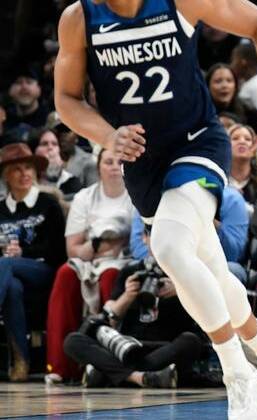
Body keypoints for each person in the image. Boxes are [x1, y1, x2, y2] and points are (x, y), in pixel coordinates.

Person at [53, 0, 257, 418]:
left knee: (167, 246)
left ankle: (239, 375)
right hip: (142, 160)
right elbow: (65, 97)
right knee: (212, 274)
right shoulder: (79, 18)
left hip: (197, 141)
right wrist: (108, 135)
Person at [46, 148, 135, 384]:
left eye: (119, 162)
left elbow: (133, 242)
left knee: (111, 276)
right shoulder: (84, 197)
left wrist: (101, 245)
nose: (114, 166)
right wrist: (102, 245)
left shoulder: (135, 195)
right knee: (65, 273)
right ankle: (60, 366)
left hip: (122, 260)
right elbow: (73, 249)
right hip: (87, 258)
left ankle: (109, 365)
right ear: (99, 167)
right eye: (108, 162)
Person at [63, 253, 204, 389]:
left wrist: (181, 290)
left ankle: (110, 374)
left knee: (191, 341)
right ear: (145, 238)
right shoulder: (130, 272)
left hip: (163, 348)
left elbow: (203, 318)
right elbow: (110, 320)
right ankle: (143, 378)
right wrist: (127, 296)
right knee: (73, 340)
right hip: (126, 346)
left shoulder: (187, 273)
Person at [0, 143, 67, 382]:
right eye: (17, 169)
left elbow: (59, 249)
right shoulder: (0, 209)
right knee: (13, 286)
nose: (25, 173)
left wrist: (24, 252)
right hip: (10, 279)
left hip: (45, 271)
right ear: (5, 175)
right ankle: (21, 362)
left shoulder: (48, 203)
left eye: (28, 167)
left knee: (5, 265)